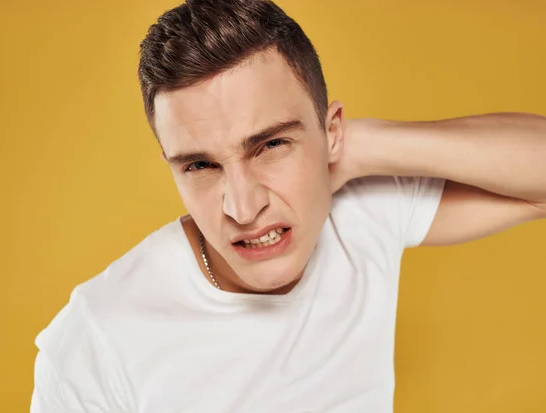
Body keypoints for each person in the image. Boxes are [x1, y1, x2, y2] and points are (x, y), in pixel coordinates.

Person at [30, 0, 546, 412]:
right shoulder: (97, 338)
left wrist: (362, 146)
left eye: (272, 145)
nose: (243, 207)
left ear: (330, 133)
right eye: (200, 166)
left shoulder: (361, 214)